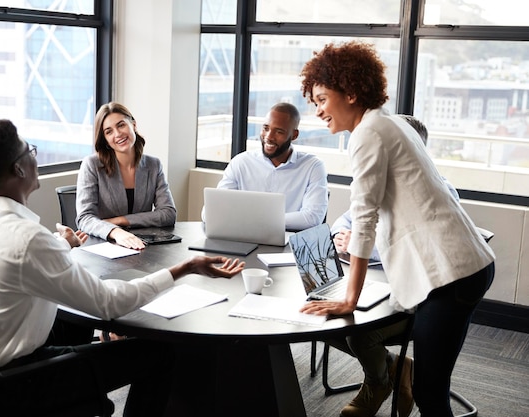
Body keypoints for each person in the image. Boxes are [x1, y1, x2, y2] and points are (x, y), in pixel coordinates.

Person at [0, 119, 245, 417]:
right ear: (19, 169)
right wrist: (184, 268)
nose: (34, 157)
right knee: (157, 354)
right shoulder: (28, 239)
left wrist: (63, 244)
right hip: (17, 381)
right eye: (29, 151)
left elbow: (24, 257)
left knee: (74, 323)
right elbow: (108, 304)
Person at [299, 41, 495, 417]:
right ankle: (391, 371)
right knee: (429, 386)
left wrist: (349, 297)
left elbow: (365, 217)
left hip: (451, 274)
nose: (319, 110)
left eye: (323, 98)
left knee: (430, 394)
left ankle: (390, 373)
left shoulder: (368, 133)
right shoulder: (387, 123)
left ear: (351, 93)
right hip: (461, 268)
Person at [332, 115, 460, 261]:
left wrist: (359, 245)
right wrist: (340, 236)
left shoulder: (441, 193)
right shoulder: (384, 183)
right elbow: (345, 219)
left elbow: (417, 252)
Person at [211, 102, 329, 231]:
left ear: (294, 135)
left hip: (288, 243)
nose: (269, 137)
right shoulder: (241, 162)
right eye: (266, 128)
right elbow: (212, 211)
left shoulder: (313, 166)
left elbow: (312, 218)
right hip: (243, 237)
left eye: (279, 132)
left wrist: (257, 220)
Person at [77, 102, 177, 250]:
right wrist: (115, 231)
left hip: (143, 246)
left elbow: (168, 214)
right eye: (109, 131)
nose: (117, 134)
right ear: (104, 139)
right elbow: (85, 219)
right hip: (103, 246)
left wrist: (121, 221)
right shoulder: (92, 165)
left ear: (133, 125)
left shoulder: (153, 165)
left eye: (121, 125)